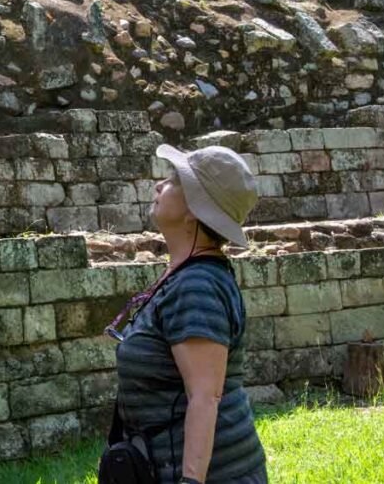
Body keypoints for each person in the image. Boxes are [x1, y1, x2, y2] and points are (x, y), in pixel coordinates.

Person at [104, 144, 268, 484]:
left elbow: (204, 396)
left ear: (194, 209)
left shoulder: (197, 287)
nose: (159, 186)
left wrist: (191, 481)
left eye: (172, 180)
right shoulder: (186, 276)